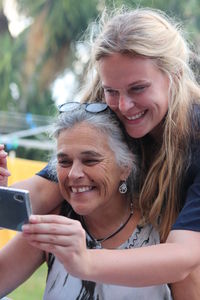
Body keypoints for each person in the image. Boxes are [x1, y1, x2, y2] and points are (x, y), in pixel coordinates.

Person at [2, 6, 200, 299]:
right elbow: (43, 192)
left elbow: (185, 257)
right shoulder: (101, 112)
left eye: (138, 88)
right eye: (111, 91)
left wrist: (85, 260)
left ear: (175, 74)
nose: (123, 106)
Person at [0, 105, 172, 299]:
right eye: (64, 162)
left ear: (125, 167)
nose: (74, 174)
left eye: (90, 161)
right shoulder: (54, 221)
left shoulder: (164, 228)